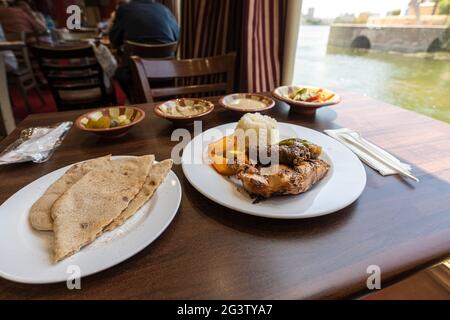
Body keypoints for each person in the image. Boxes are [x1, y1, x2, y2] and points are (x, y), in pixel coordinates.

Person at [109, 0, 179, 99]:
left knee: (119, 73)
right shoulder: (165, 10)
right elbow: (177, 37)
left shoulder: (124, 9)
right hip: (167, 73)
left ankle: (136, 102)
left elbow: (114, 40)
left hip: (135, 76)